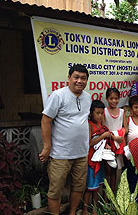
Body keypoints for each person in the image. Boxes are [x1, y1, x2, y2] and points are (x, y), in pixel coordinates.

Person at [39, 64, 91, 214]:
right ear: (69, 78)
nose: (79, 81)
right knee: (56, 191)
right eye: (76, 77)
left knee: (78, 187)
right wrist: (47, 146)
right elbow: (46, 120)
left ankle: (72, 212)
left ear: (86, 80)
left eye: (83, 78)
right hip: (60, 154)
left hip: (81, 153)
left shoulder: (87, 97)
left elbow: (84, 121)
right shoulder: (58, 95)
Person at [83, 100, 109, 215]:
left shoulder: (100, 125)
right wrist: (103, 136)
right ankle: (84, 210)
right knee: (90, 187)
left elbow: (104, 140)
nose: (99, 116)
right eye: (97, 113)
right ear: (91, 113)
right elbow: (89, 142)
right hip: (91, 159)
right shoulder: (89, 124)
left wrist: (106, 142)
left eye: (101, 113)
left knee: (97, 186)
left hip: (100, 159)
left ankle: (94, 209)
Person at [104, 88, 128, 193]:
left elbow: (126, 128)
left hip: (119, 144)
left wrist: (121, 134)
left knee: (114, 170)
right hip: (107, 144)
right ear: (106, 99)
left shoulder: (122, 112)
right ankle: (105, 196)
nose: (114, 101)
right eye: (111, 98)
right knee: (107, 170)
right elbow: (104, 128)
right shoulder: (104, 111)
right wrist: (114, 137)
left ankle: (112, 194)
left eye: (116, 98)